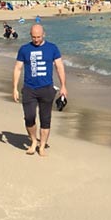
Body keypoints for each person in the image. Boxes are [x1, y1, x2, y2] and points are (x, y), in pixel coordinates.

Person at [12, 24, 67, 157]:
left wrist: (63, 86)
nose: (36, 39)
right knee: (29, 118)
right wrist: (14, 88)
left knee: (45, 119)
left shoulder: (52, 48)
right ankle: (33, 141)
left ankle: (41, 146)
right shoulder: (24, 49)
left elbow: (59, 66)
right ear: (30, 35)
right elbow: (18, 68)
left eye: (39, 37)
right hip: (29, 89)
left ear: (44, 35)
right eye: (34, 37)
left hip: (47, 88)